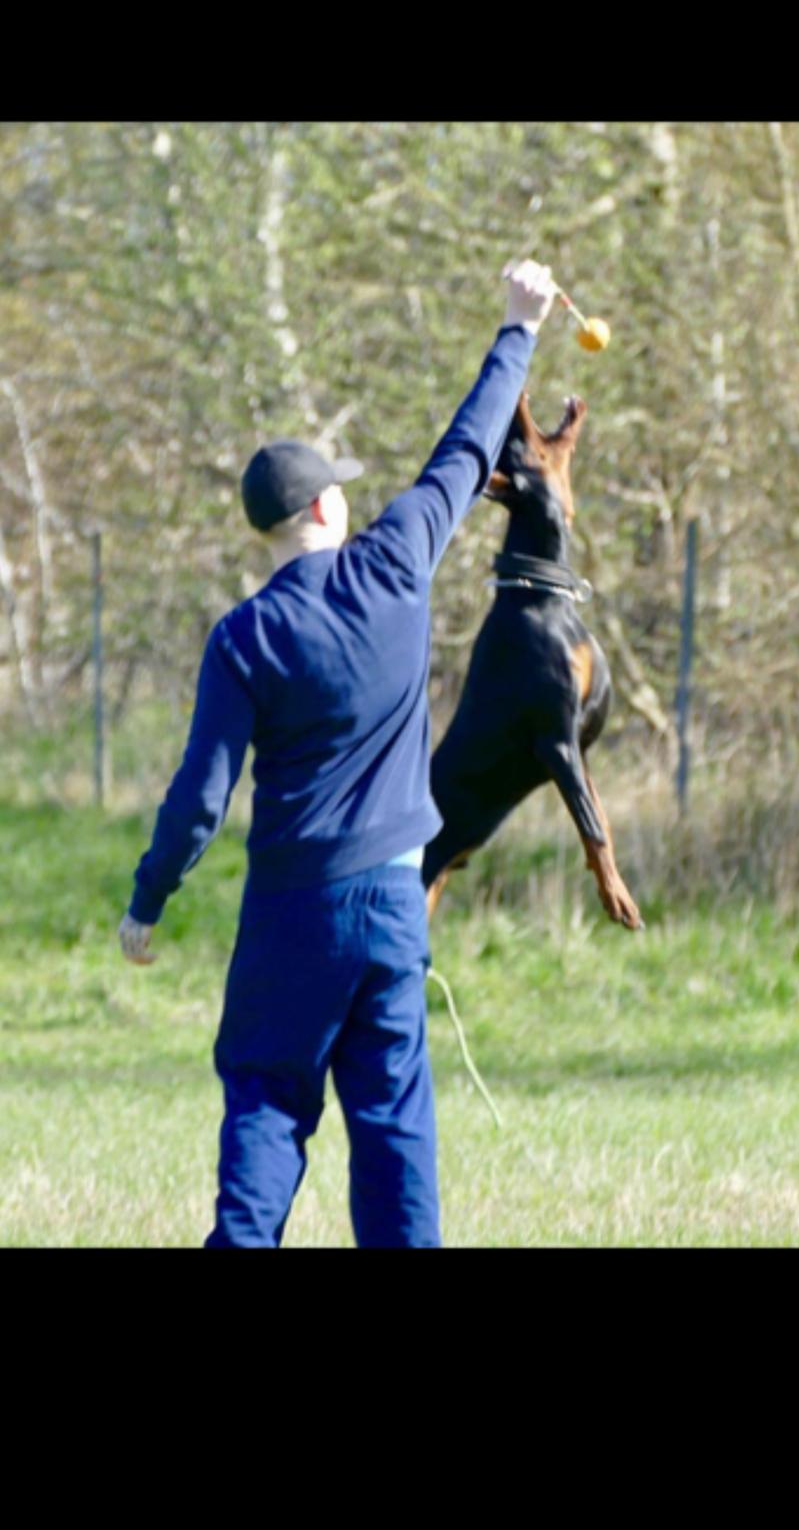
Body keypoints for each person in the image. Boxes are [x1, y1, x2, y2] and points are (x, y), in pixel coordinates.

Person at [118, 259, 557, 1247]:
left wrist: (150, 896)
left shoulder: (241, 637)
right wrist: (516, 327)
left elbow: (198, 798)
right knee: (394, 1120)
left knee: (269, 1103)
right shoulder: (397, 561)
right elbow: (462, 447)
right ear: (323, 510)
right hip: (396, 902)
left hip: (291, 914)